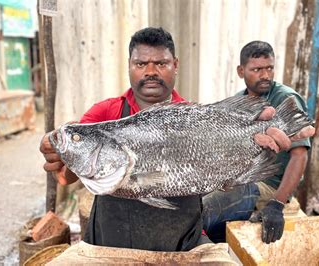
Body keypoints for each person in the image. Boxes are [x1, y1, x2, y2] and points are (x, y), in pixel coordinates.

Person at [40, 28, 302, 251]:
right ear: (130, 66)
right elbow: (70, 176)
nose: (150, 71)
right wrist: (60, 152)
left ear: (175, 65)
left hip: (179, 243)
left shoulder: (196, 118)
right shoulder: (104, 114)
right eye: (141, 64)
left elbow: (224, 180)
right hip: (111, 244)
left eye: (161, 64)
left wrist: (249, 153)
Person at [203, 41, 312, 244]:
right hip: (243, 176)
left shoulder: (285, 99)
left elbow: (300, 155)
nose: (265, 75)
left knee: (209, 207)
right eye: (257, 69)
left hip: (267, 183)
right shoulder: (238, 101)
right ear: (241, 71)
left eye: (269, 68)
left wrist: (277, 204)